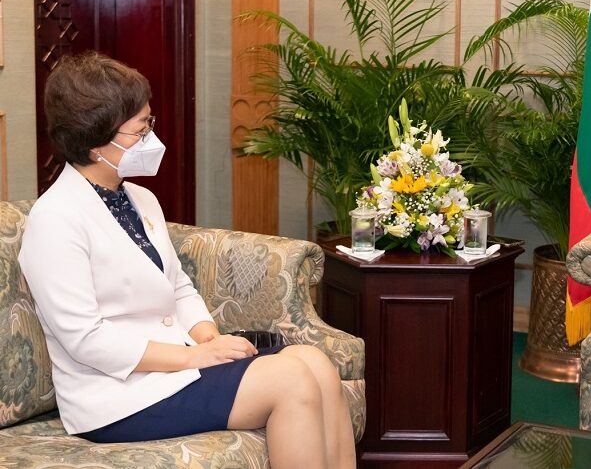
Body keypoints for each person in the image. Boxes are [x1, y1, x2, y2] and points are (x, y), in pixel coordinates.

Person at [18, 52, 356, 469]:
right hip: (114, 395)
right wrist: (193, 358)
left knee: (317, 364)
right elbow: (86, 339)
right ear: (95, 139)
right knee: (291, 379)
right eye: (141, 128)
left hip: (173, 370)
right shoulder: (55, 219)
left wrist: (208, 340)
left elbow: (178, 287)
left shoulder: (141, 199)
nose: (151, 137)